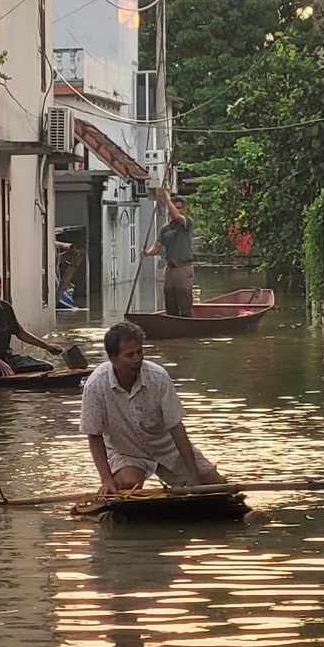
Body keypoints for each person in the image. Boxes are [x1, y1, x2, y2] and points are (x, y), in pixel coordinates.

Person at [81, 321, 227, 495]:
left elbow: (176, 426)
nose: (137, 359)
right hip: (126, 451)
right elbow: (94, 435)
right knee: (128, 485)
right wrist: (106, 479)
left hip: (166, 447)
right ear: (113, 359)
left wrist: (193, 471)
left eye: (139, 352)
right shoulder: (96, 385)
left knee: (217, 485)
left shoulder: (158, 377)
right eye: (129, 355)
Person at [0, 270, 62, 383]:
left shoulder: (6, 308)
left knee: (46, 367)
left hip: (8, 358)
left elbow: (21, 333)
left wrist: (48, 347)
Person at [141, 187, 196, 316]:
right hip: (170, 268)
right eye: (174, 207)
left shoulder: (186, 223)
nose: (177, 210)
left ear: (184, 210)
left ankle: (188, 323)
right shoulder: (165, 229)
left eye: (180, 207)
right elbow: (156, 247)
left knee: (184, 297)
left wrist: (165, 198)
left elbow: (177, 216)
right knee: (169, 297)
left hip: (184, 267)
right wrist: (147, 253)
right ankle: (173, 322)